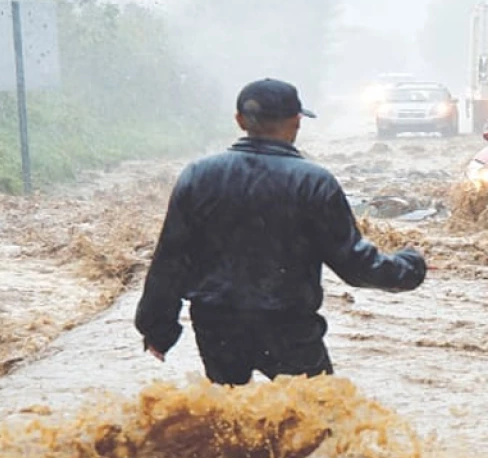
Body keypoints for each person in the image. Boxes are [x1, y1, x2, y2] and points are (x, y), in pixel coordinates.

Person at [134, 78, 427, 385]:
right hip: (290, 328)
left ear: (239, 120)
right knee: (315, 418)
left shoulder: (198, 176)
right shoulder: (314, 182)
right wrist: (411, 266)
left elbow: (170, 260)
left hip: (217, 327)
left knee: (228, 419)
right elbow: (355, 265)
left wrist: (157, 329)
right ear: (296, 121)